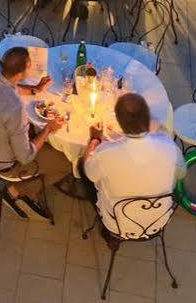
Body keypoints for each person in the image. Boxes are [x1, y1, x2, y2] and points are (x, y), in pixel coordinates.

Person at [0, 45, 71, 220]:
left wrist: (36, 89)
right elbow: (25, 156)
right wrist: (48, 129)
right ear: (21, 72)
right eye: (30, 65)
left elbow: (9, 86)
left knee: (36, 134)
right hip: (4, 162)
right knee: (68, 161)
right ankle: (17, 192)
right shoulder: (14, 108)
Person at [80, 92, 186, 226]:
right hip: (158, 220)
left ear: (119, 121)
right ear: (147, 118)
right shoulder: (168, 145)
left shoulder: (107, 153)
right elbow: (182, 173)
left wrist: (94, 140)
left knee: (83, 166)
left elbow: (90, 173)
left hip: (118, 224)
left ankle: (112, 236)